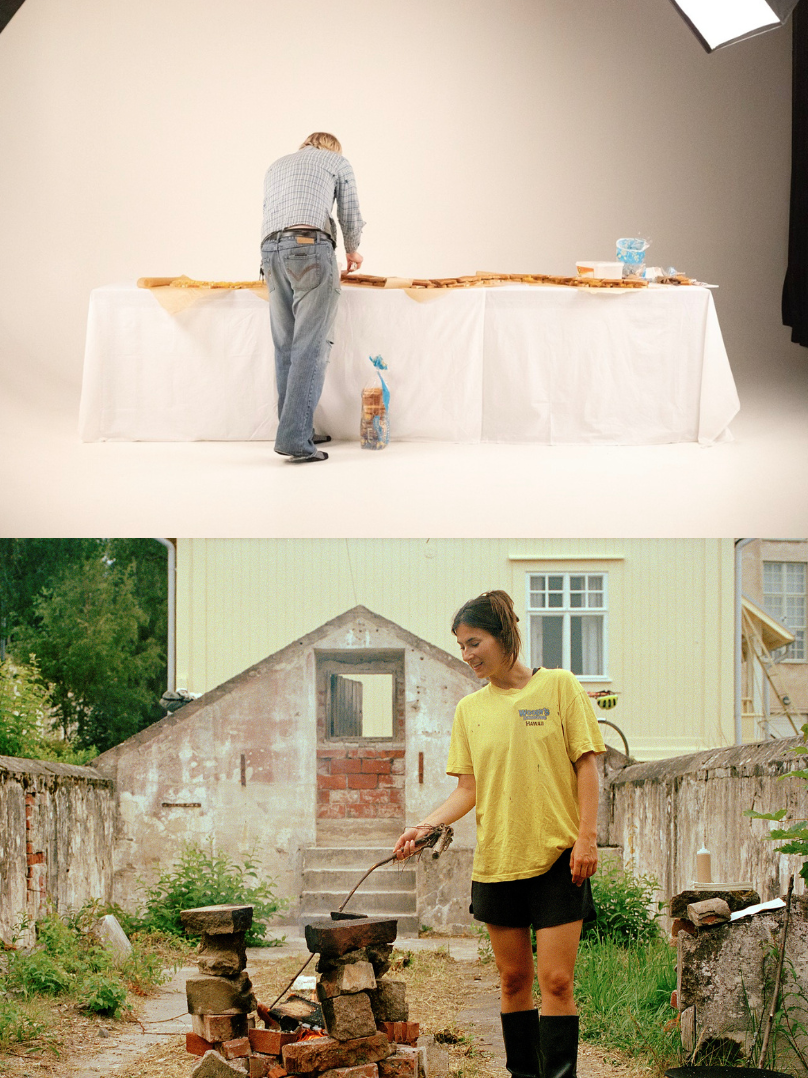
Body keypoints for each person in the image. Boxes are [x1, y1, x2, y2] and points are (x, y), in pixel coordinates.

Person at [394, 590, 605, 1078]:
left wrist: (587, 836)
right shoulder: (470, 710)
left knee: (555, 981)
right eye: (461, 647)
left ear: (503, 634)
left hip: (558, 859)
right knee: (513, 980)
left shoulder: (559, 687)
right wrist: (425, 825)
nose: (467, 655)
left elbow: (587, 765)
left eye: (474, 642)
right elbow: (468, 790)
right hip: (498, 863)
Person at [260, 132, 365, 463]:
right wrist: (352, 250)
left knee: (286, 347)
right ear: (332, 148)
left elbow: (269, 211)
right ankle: (294, 437)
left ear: (305, 144)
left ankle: (294, 426)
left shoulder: (276, 166)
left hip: (270, 251)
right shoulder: (336, 161)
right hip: (310, 246)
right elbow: (349, 211)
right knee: (311, 346)